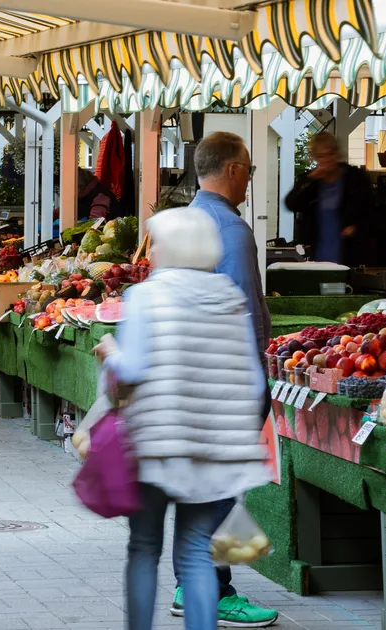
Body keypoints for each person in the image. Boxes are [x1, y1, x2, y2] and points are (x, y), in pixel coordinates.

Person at [93, 206, 271, 630]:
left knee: (144, 549)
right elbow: (251, 378)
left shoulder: (146, 296)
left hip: (156, 446)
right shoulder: (231, 297)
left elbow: (133, 371)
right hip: (212, 452)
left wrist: (110, 353)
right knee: (196, 554)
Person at [171, 131, 277, 628]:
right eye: (250, 171)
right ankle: (210, 592)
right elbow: (245, 312)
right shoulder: (230, 230)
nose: (250, 181)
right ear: (233, 170)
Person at [284, 133, 374, 265]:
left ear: (337, 154)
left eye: (330, 154)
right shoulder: (311, 181)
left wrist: (356, 228)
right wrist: (309, 179)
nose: (327, 159)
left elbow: (372, 211)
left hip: (350, 252)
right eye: (321, 156)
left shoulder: (355, 178)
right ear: (314, 157)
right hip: (317, 252)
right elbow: (291, 204)